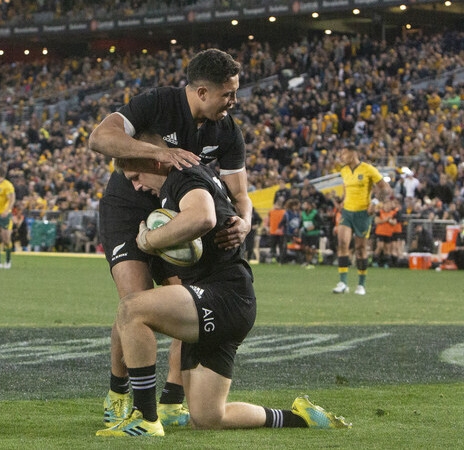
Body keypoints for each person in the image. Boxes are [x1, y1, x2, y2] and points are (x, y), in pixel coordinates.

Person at [96, 156, 350, 437]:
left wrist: (149, 240)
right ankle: (301, 418)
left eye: (135, 177)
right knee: (207, 417)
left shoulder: (183, 177)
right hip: (225, 300)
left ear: (154, 163)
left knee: (132, 309)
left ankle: (145, 418)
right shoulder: (184, 181)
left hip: (223, 296)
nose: (137, 186)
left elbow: (203, 216)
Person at [88, 48, 252, 429]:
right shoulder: (157, 102)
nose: (234, 101)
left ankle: (173, 401)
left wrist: (244, 222)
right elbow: (100, 138)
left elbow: (240, 193)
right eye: (228, 94)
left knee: (186, 292)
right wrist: (159, 154)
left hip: (174, 205)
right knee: (135, 300)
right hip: (128, 206)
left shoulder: (227, 131)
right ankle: (119, 393)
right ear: (201, 92)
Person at [332, 146, 392, 295]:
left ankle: (361, 284)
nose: (341, 157)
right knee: (342, 243)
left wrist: (375, 203)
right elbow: (346, 189)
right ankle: (343, 282)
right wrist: (341, 202)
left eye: (343, 153)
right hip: (347, 212)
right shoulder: (344, 171)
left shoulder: (368, 169)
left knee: (360, 248)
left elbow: (385, 188)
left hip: (363, 213)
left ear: (353, 154)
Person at [299, 200, 322, 267]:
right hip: (305, 233)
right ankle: (307, 262)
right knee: (306, 248)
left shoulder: (315, 213)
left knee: (311, 249)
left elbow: (321, 223)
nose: (304, 206)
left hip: (313, 233)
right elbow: (302, 222)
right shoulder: (303, 213)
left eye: (305, 204)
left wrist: (313, 227)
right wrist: (298, 228)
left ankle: (312, 261)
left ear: (309, 206)